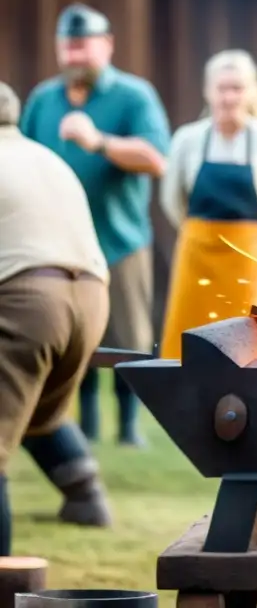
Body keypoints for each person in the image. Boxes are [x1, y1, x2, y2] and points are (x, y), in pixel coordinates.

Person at [20, 3, 171, 446]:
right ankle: (84, 425)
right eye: (68, 46)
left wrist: (98, 142)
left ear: (106, 45)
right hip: (59, 243)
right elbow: (22, 154)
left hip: (120, 239)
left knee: (128, 339)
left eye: (83, 46)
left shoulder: (133, 95)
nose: (74, 55)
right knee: (72, 336)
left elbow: (156, 158)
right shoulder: (44, 99)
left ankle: (128, 429)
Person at [0, 82, 113, 551]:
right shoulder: (47, 158)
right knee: (39, 412)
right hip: (91, 300)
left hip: (26, 300)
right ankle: (85, 495)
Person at [159, 51, 257, 360]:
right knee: (186, 341)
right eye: (222, 88)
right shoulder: (187, 139)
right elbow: (172, 200)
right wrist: (199, 231)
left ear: (251, 92)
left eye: (237, 88)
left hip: (245, 256)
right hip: (196, 253)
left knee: (244, 344)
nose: (229, 97)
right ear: (208, 91)